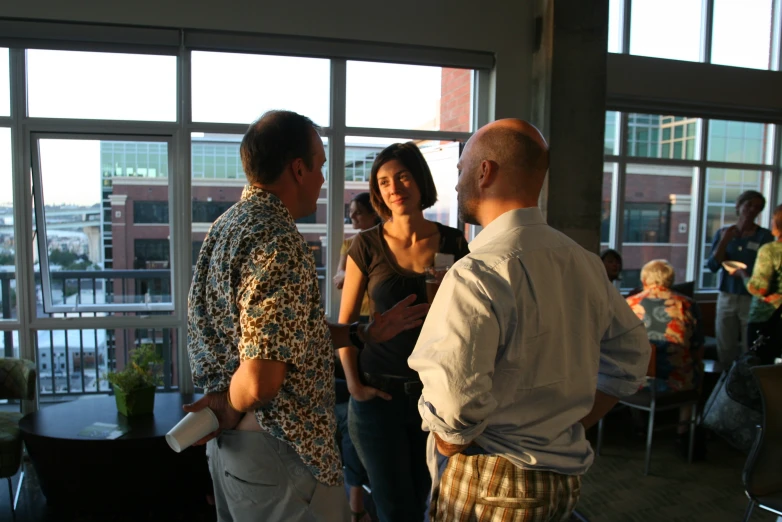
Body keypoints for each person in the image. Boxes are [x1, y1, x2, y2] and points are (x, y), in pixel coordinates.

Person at [185, 110, 429, 522]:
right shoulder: (277, 241)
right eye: (320, 166)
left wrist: (360, 334)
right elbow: (262, 375)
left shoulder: (227, 225)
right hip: (281, 450)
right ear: (298, 169)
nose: (321, 179)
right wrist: (228, 403)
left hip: (237, 451)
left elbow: (282, 338)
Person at [408, 119, 650, 522]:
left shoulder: (478, 273)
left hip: (491, 479)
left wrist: (448, 443)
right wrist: (560, 425)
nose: (456, 183)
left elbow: (453, 405)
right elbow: (632, 357)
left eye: (460, 170)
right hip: (561, 480)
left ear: (485, 171)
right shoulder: (586, 262)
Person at [338, 142, 470, 522]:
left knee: (425, 500)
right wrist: (354, 387)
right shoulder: (365, 245)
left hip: (436, 396)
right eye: (383, 182)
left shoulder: (453, 242)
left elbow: (468, 316)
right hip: (379, 395)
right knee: (395, 507)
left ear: (419, 181)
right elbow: (345, 324)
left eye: (402, 177)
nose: (393, 187)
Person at [625, 259, 704, 457]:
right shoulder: (687, 304)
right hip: (676, 381)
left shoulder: (629, 304)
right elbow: (698, 347)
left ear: (644, 279)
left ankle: (639, 426)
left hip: (635, 382)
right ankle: (682, 433)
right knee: (697, 371)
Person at [333, 193, 380, 521]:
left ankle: (364, 492)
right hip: (354, 326)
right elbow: (339, 279)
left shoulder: (383, 244)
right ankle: (356, 498)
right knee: (355, 409)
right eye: (351, 214)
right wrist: (349, 277)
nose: (353, 220)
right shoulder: (350, 245)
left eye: (357, 214)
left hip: (378, 326)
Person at [707, 190, 773, 365]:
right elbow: (713, 265)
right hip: (726, 296)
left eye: (757, 207)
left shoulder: (764, 236)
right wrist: (724, 240)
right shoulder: (724, 232)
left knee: (749, 346)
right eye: (749, 205)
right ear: (739, 206)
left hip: (751, 298)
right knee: (725, 344)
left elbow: (767, 270)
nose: (752, 210)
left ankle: (749, 386)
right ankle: (725, 386)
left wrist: (745, 273)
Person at [739, 203, 782, 365]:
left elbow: (759, 288)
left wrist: (742, 275)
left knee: (760, 369)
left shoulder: (770, 250)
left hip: (767, 318)